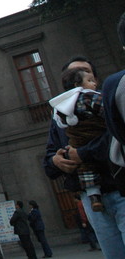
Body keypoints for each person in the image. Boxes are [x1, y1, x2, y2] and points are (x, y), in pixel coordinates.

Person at [44, 56, 125, 257]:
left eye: (85, 71)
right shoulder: (60, 115)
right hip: (89, 197)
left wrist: (82, 153)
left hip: (120, 189)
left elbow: (116, 136)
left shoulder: (108, 104)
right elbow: (49, 159)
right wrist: (56, 160)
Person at [51, 66, 106, 211]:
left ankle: (94, 195)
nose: (94, 84)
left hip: (76, 142)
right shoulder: (89, 96)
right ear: (77, 84)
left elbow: (61, 121)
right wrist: (54, 159)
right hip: (89, 136)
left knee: (85, 168)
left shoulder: (63, 104)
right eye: (90, 80)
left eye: (94, 80)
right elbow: (105, 109)